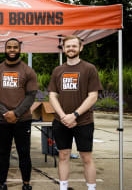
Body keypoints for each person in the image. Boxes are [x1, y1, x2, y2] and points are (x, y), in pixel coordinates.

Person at [48, 35, 102, 190]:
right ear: (63, 49)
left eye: (74, 46)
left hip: (83, 121)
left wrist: (75, 115)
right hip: (61, 122)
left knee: (86, 158)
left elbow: (93, 96)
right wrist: (64, 116)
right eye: (68, 46)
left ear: (81, 47)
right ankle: (63, 187)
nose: (71, 49)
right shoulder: (58, 70)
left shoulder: (89, 69)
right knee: (63, 156)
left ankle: (91, 188)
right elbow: (52, 95)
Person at [0, 38, 38, 190]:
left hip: (22, 120)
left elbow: (31, 95)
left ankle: (26, 184)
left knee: (24, 153)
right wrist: (5, 113)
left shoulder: (28, 71)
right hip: (1, 120)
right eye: (9, 47)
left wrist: (16, 113)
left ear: (19, 49)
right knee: (3, 153)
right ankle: (2, 183)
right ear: (5, 49)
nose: (12, 50)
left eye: (15, 47)